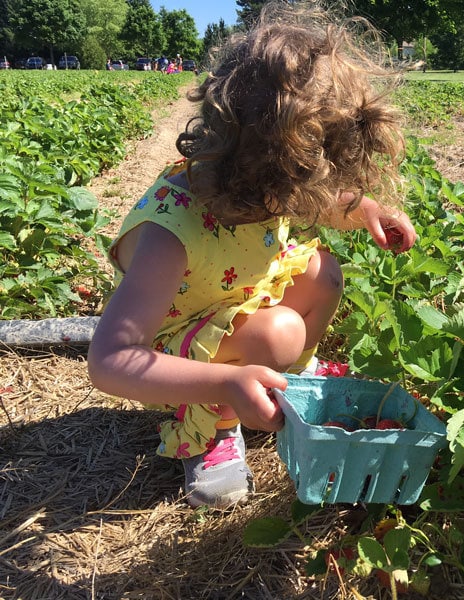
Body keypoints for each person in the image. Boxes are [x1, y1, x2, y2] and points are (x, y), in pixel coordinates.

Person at [87, 0, 414, 510]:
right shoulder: (170, 232)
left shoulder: (256, 175)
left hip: (235, 299)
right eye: (297, 186)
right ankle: (214, 425)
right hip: (180, 350)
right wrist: (226, 381)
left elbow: (318, 201)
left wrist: (366, 208)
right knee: (279, 331)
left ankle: (281, 381)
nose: (301, 201)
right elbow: (110, 361)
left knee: (322, 272)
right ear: (269, 167)